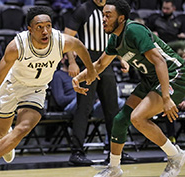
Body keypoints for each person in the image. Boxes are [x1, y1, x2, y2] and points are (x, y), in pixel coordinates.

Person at [0, 6, 98, 177]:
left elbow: (79, 46)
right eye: (39, 27)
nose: (45, 31)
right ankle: (4, 140)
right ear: (30, 30)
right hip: (13, 85)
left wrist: (89, 69)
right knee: (0, 131)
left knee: (24, 126)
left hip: (36, 89)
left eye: (48, 26)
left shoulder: (60, 41)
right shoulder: (17, 46)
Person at [72, 0, 185, 176]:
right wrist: (79, 77)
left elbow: (159, 61)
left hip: (174, 74)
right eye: (103, 15)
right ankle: (114, 168)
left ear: (121, 18)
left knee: (137, 118)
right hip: (150, 79)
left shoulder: (134, 30)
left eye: (108, 15)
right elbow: (99, 65)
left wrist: (166, 98)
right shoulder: (114, 38)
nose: (103, 19)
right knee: (120, 120)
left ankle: (175, 155)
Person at [64, 0, 120, 165]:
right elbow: (67, 36)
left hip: (106, 61)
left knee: (112, 109)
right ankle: (77, 152)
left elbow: (114, 36)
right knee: (84, 108)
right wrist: (72, 62)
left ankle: (116, 152)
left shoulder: (111, 10)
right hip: (87, 61)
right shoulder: (83, 9)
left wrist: (121, 58)